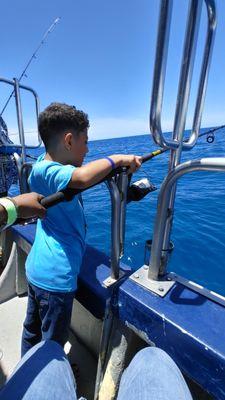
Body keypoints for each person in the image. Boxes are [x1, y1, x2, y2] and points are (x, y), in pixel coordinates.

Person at [21, 102, 142, 356]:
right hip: (56, 280)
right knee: (51, 347)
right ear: (68, 140)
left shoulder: (40, 170)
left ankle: (25, 377)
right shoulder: (49, 172)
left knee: (31, 332)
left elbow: (79, 176)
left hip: (37, 270)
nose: (87, 149)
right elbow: (82, 178)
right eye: (84, 142)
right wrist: (118, 158)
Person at [0, 341, 193, 399]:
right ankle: (69, 380)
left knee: (48, 350)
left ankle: (67, 382)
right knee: (152, 359)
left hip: (38, 274)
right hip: (57, 282)